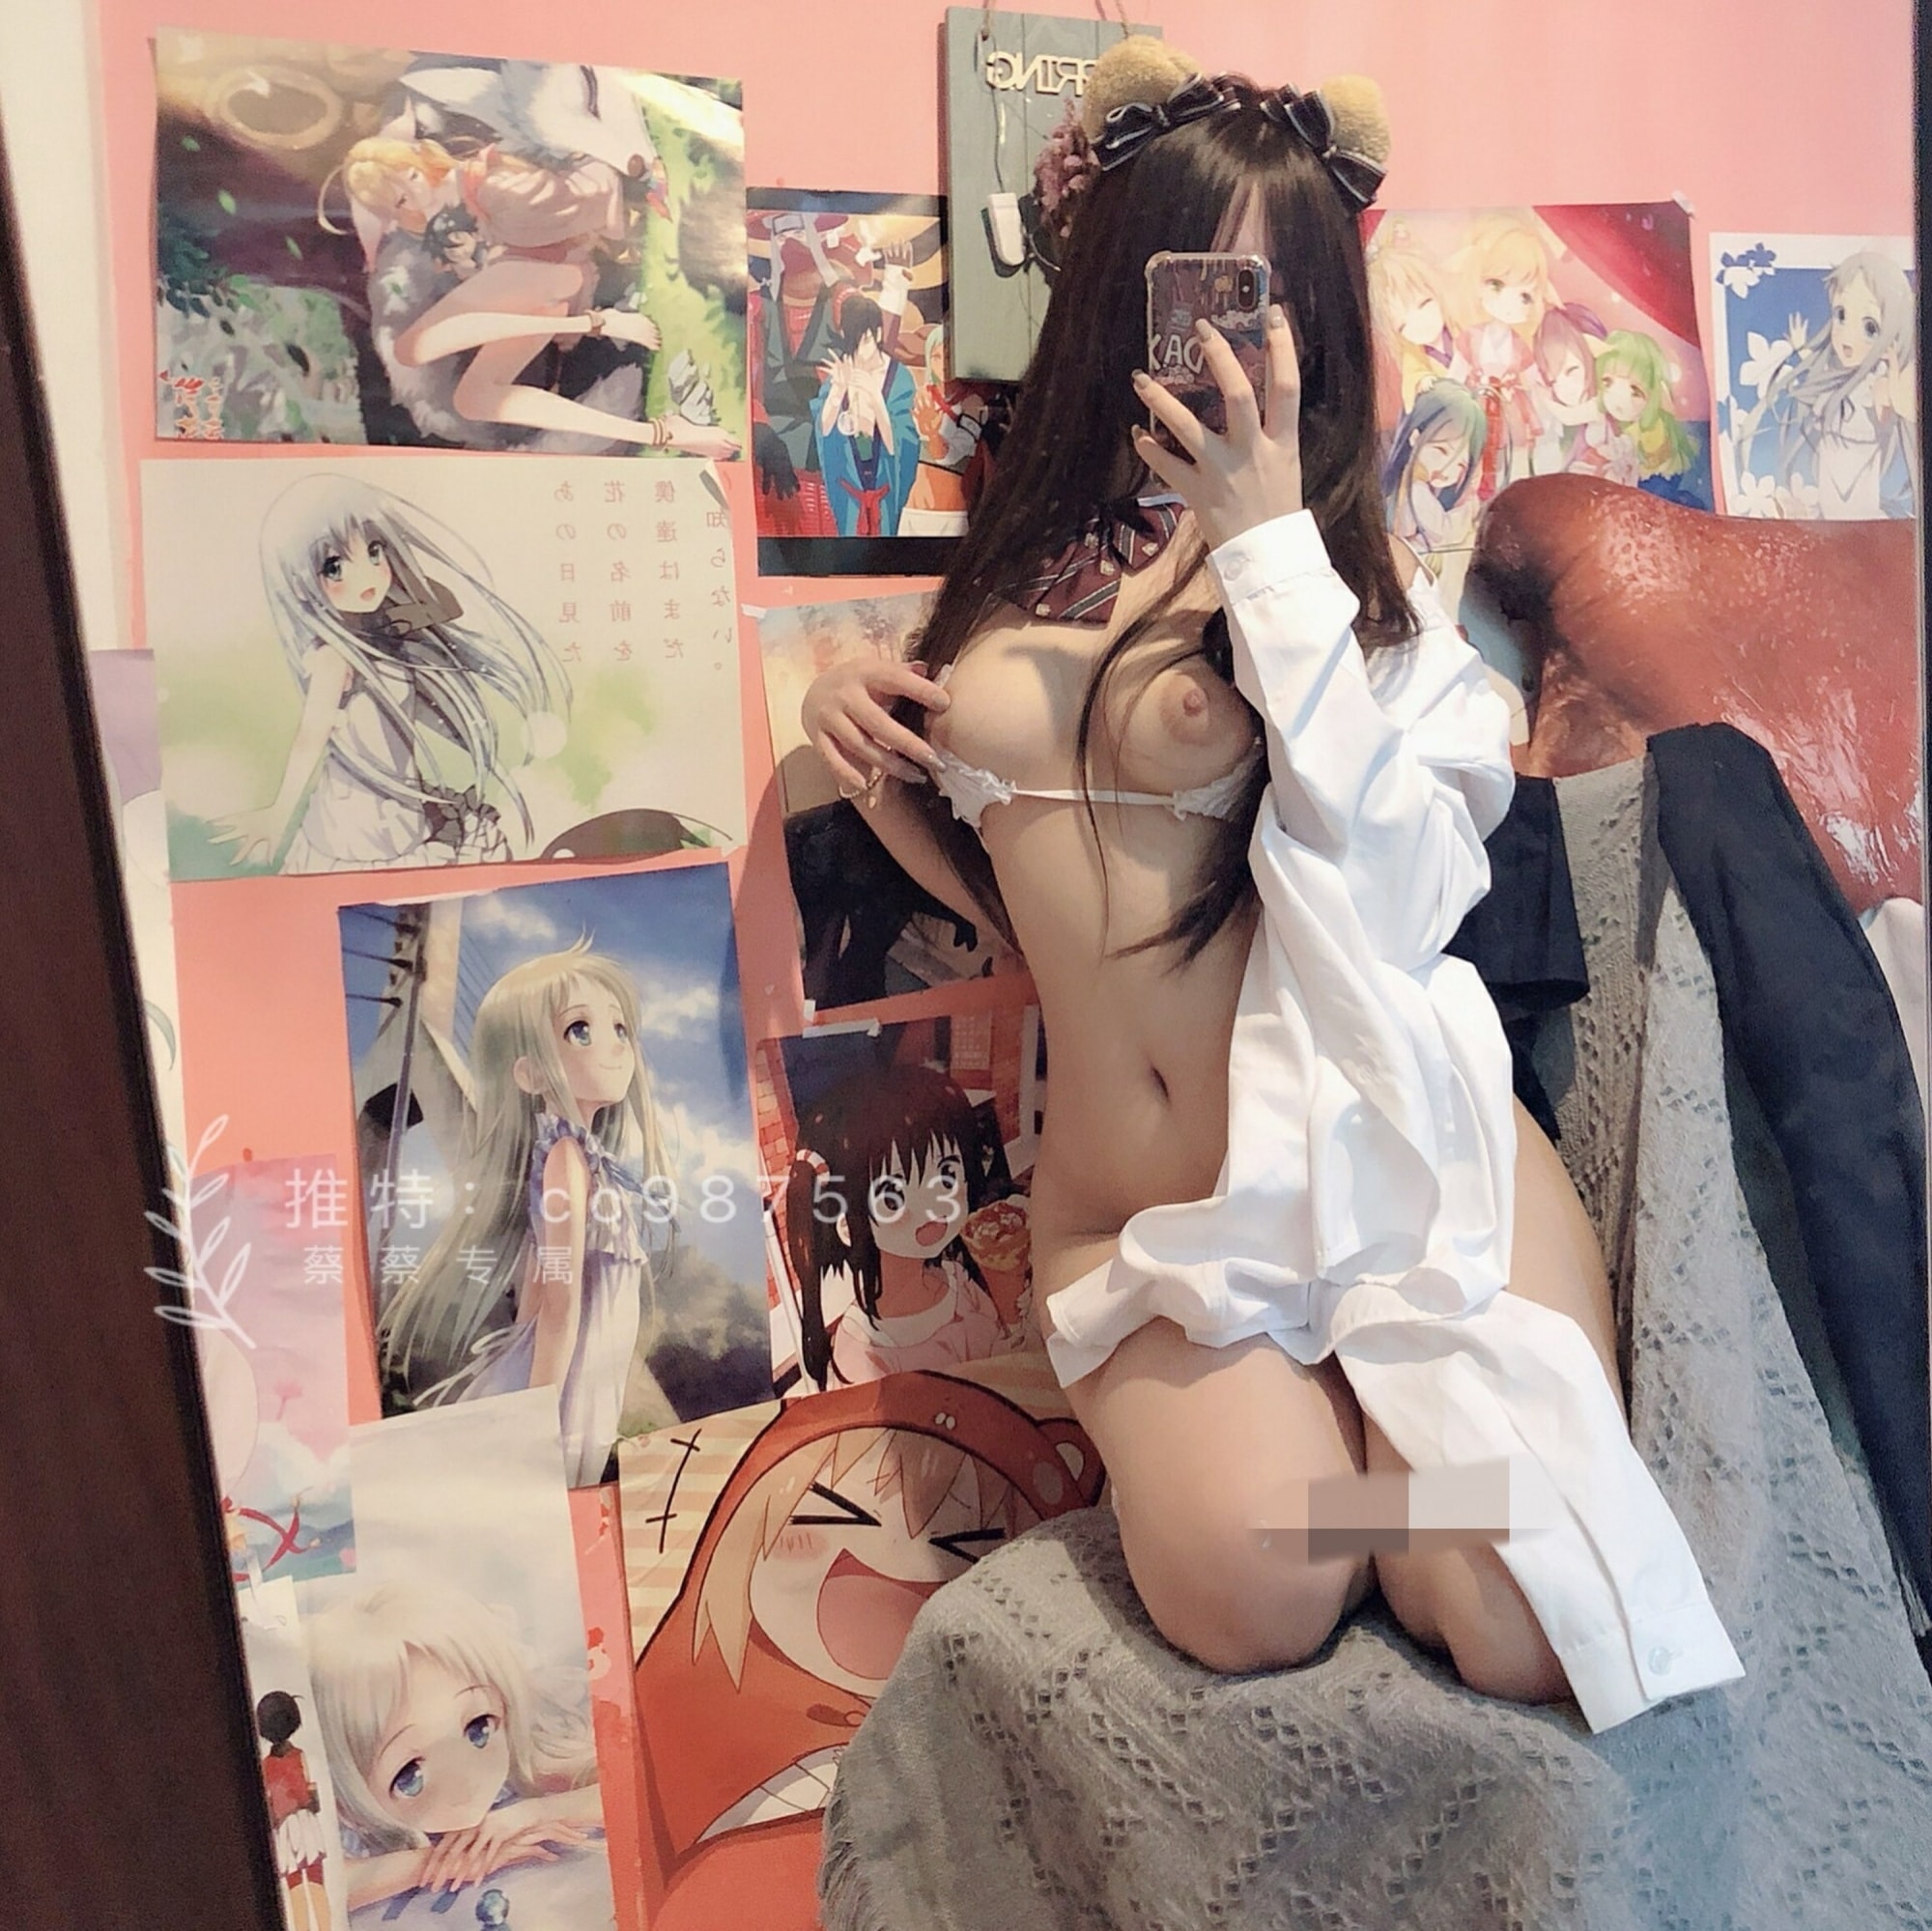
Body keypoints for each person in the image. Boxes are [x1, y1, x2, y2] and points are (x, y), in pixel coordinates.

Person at [800, 37, 1741, 1730]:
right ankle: (1359, 1502)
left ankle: (1415, 1499)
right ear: (1116, 287)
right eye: (1196, 284)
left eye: (1274, 299)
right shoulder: (1017, 562)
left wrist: (1265, 550)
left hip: (1396, 1170)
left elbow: (1394, 889)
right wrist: (852, 725)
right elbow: (1016, 864)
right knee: (1261, 1580)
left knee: (1517, 1612)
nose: (1233, 343)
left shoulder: (1372, 610)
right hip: (1156, 1222)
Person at [377, 940, 674, 1487]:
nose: (615, 1047)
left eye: (619, 1028)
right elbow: (559, 1298)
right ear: (531, 1073)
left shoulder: (577, 1157)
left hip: (586, 1361)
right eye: (580, 1030)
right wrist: (539, 1413)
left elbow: (540, 1269)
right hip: (574, 1371)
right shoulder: (567, 1159)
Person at [215, 473, 571, 873]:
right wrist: (278, 813)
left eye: (374, 551)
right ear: (300, 584)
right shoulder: (334, 657)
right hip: (357, 823)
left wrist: (409, 606)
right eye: (334, 566)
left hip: (400, 807)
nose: (366, 576)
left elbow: (446, 604)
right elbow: (309, 738)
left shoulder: (381, 630)